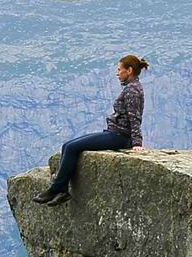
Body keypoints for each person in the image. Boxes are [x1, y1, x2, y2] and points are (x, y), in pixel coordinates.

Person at [36, 54, 148, 203]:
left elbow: (134, 117)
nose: (117, 73)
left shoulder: (132, 90)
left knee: (72, 148)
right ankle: (60, 189)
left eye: (119, 69)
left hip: (120, 136)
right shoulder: (132, 87)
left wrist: (136, 143)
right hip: (115, 133)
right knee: (68, 145)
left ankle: (56, 189)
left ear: (129, 70)